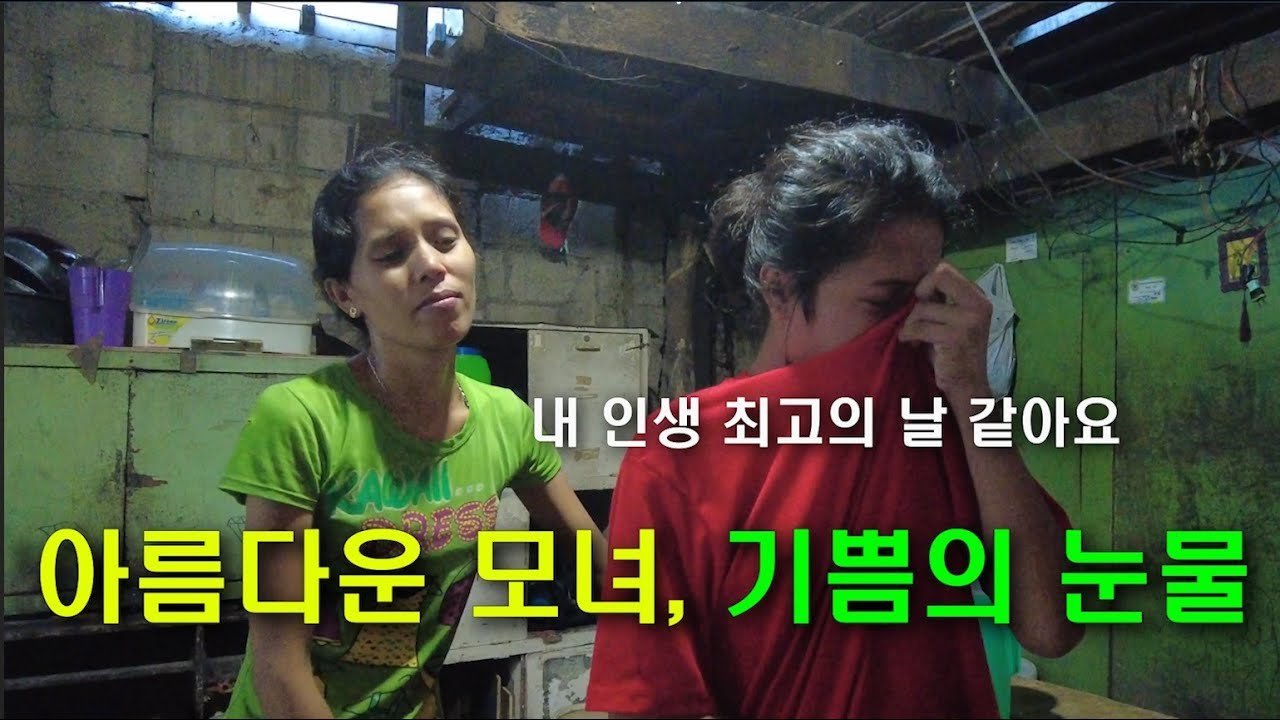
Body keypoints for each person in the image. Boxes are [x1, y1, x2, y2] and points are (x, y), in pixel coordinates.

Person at [584, 118, 1084, 719]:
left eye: (928, 300)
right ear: (780, 292)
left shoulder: (935, 419)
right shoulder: (683, 452)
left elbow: (1051, 626)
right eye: (884, 304)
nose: (914, 330)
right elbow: (652, 704)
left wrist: (974, 394)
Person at [217, 142, 608, 719]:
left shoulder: (505, 419)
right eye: (392, 253)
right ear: (344, 294)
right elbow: (279, 669)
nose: (432, 264)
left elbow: (601, 563)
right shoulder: (300, 419)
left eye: (446, 239)